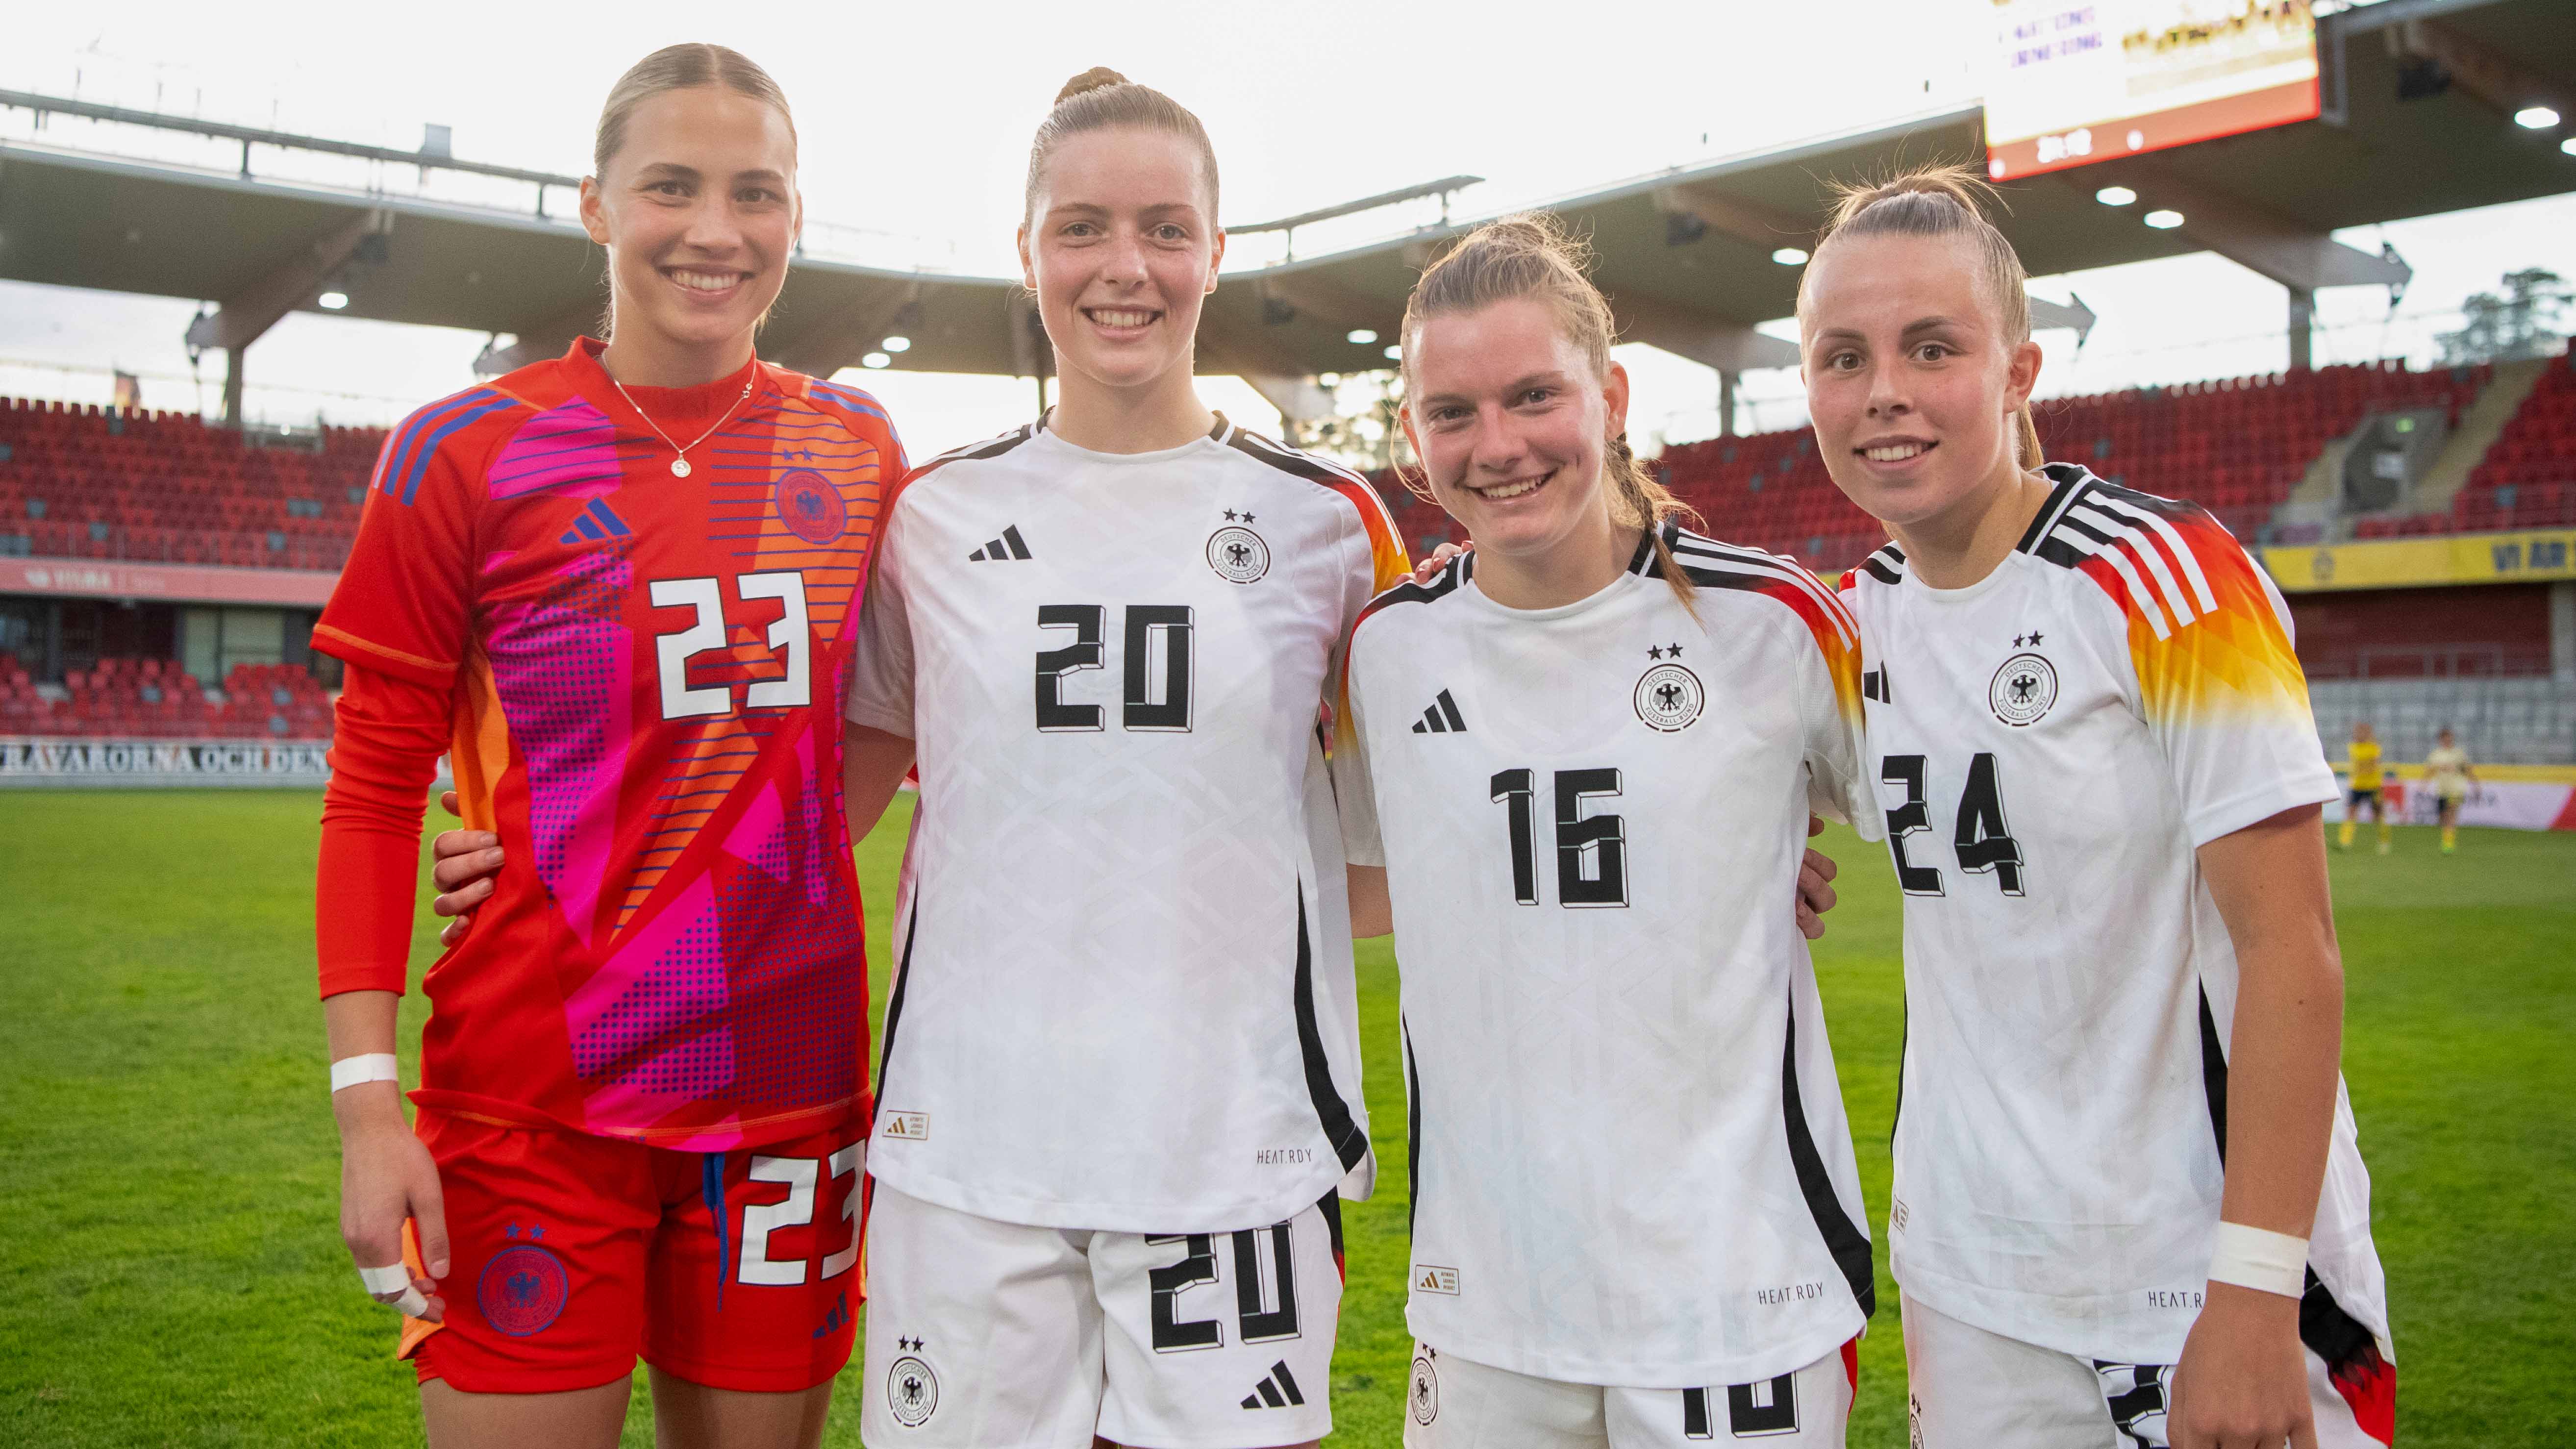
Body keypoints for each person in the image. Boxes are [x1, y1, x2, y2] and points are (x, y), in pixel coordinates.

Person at [313, 44, 901, 1449]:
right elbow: (375, 787)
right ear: (594, 204)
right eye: (670, 187)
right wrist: (364, 1106)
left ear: (795, 216)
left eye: (754, 192)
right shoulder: (461, 450)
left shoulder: (862, 452)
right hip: (527, 1097)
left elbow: (886, 729)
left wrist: (739, 844)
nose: (715, 230)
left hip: (784, 1099)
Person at [1805, 167, 2395, 1448]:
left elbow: (2288, 950)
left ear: (2016, 373)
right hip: (1967, 1286)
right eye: (1838, 357)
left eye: (1929, 348)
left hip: (2195, 1274)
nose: (1881, 393)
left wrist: (2249, 1291)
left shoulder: (2165, 580)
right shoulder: (1855, 625)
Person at [1336, 215, 1876, 1449]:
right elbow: (1368, 885)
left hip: (1738, 1295)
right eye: (1452, 412)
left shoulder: (1774, 622)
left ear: (1611, 393)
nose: (1499, 445)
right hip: (1487, 1313)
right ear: (1411, 439)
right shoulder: (1385, 649)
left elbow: (1957, 848)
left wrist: (1740, 859)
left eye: (1535, 396)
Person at [2339, 722, 2390, 854]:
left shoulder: (2374, 748)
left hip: (2373, 786)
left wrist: (2364, 769)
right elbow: (2364, 766)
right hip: (2357, 786)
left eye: (2362, 732)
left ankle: (2384, 842)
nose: (2358, 735)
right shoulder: (2353, 747)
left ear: (2368, 734)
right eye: (2357, 732)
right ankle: (2345, 842)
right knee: (2351, 812)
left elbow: (2372, 766)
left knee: (2378, 814)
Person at [2424, 727, 2475, 854]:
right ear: (2441, 740)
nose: (2447, 740)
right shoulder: (2436, 754)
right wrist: (2423, 783)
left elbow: (2467, 769)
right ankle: (2447, 837)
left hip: (2457, 788)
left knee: (2451, 812)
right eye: (2445, 738)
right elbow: (2430, 770)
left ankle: (2448, 844)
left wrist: (2476, 784)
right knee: (2443, 818)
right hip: (2442, 789)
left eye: (2449, 737)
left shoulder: (2459, 754)